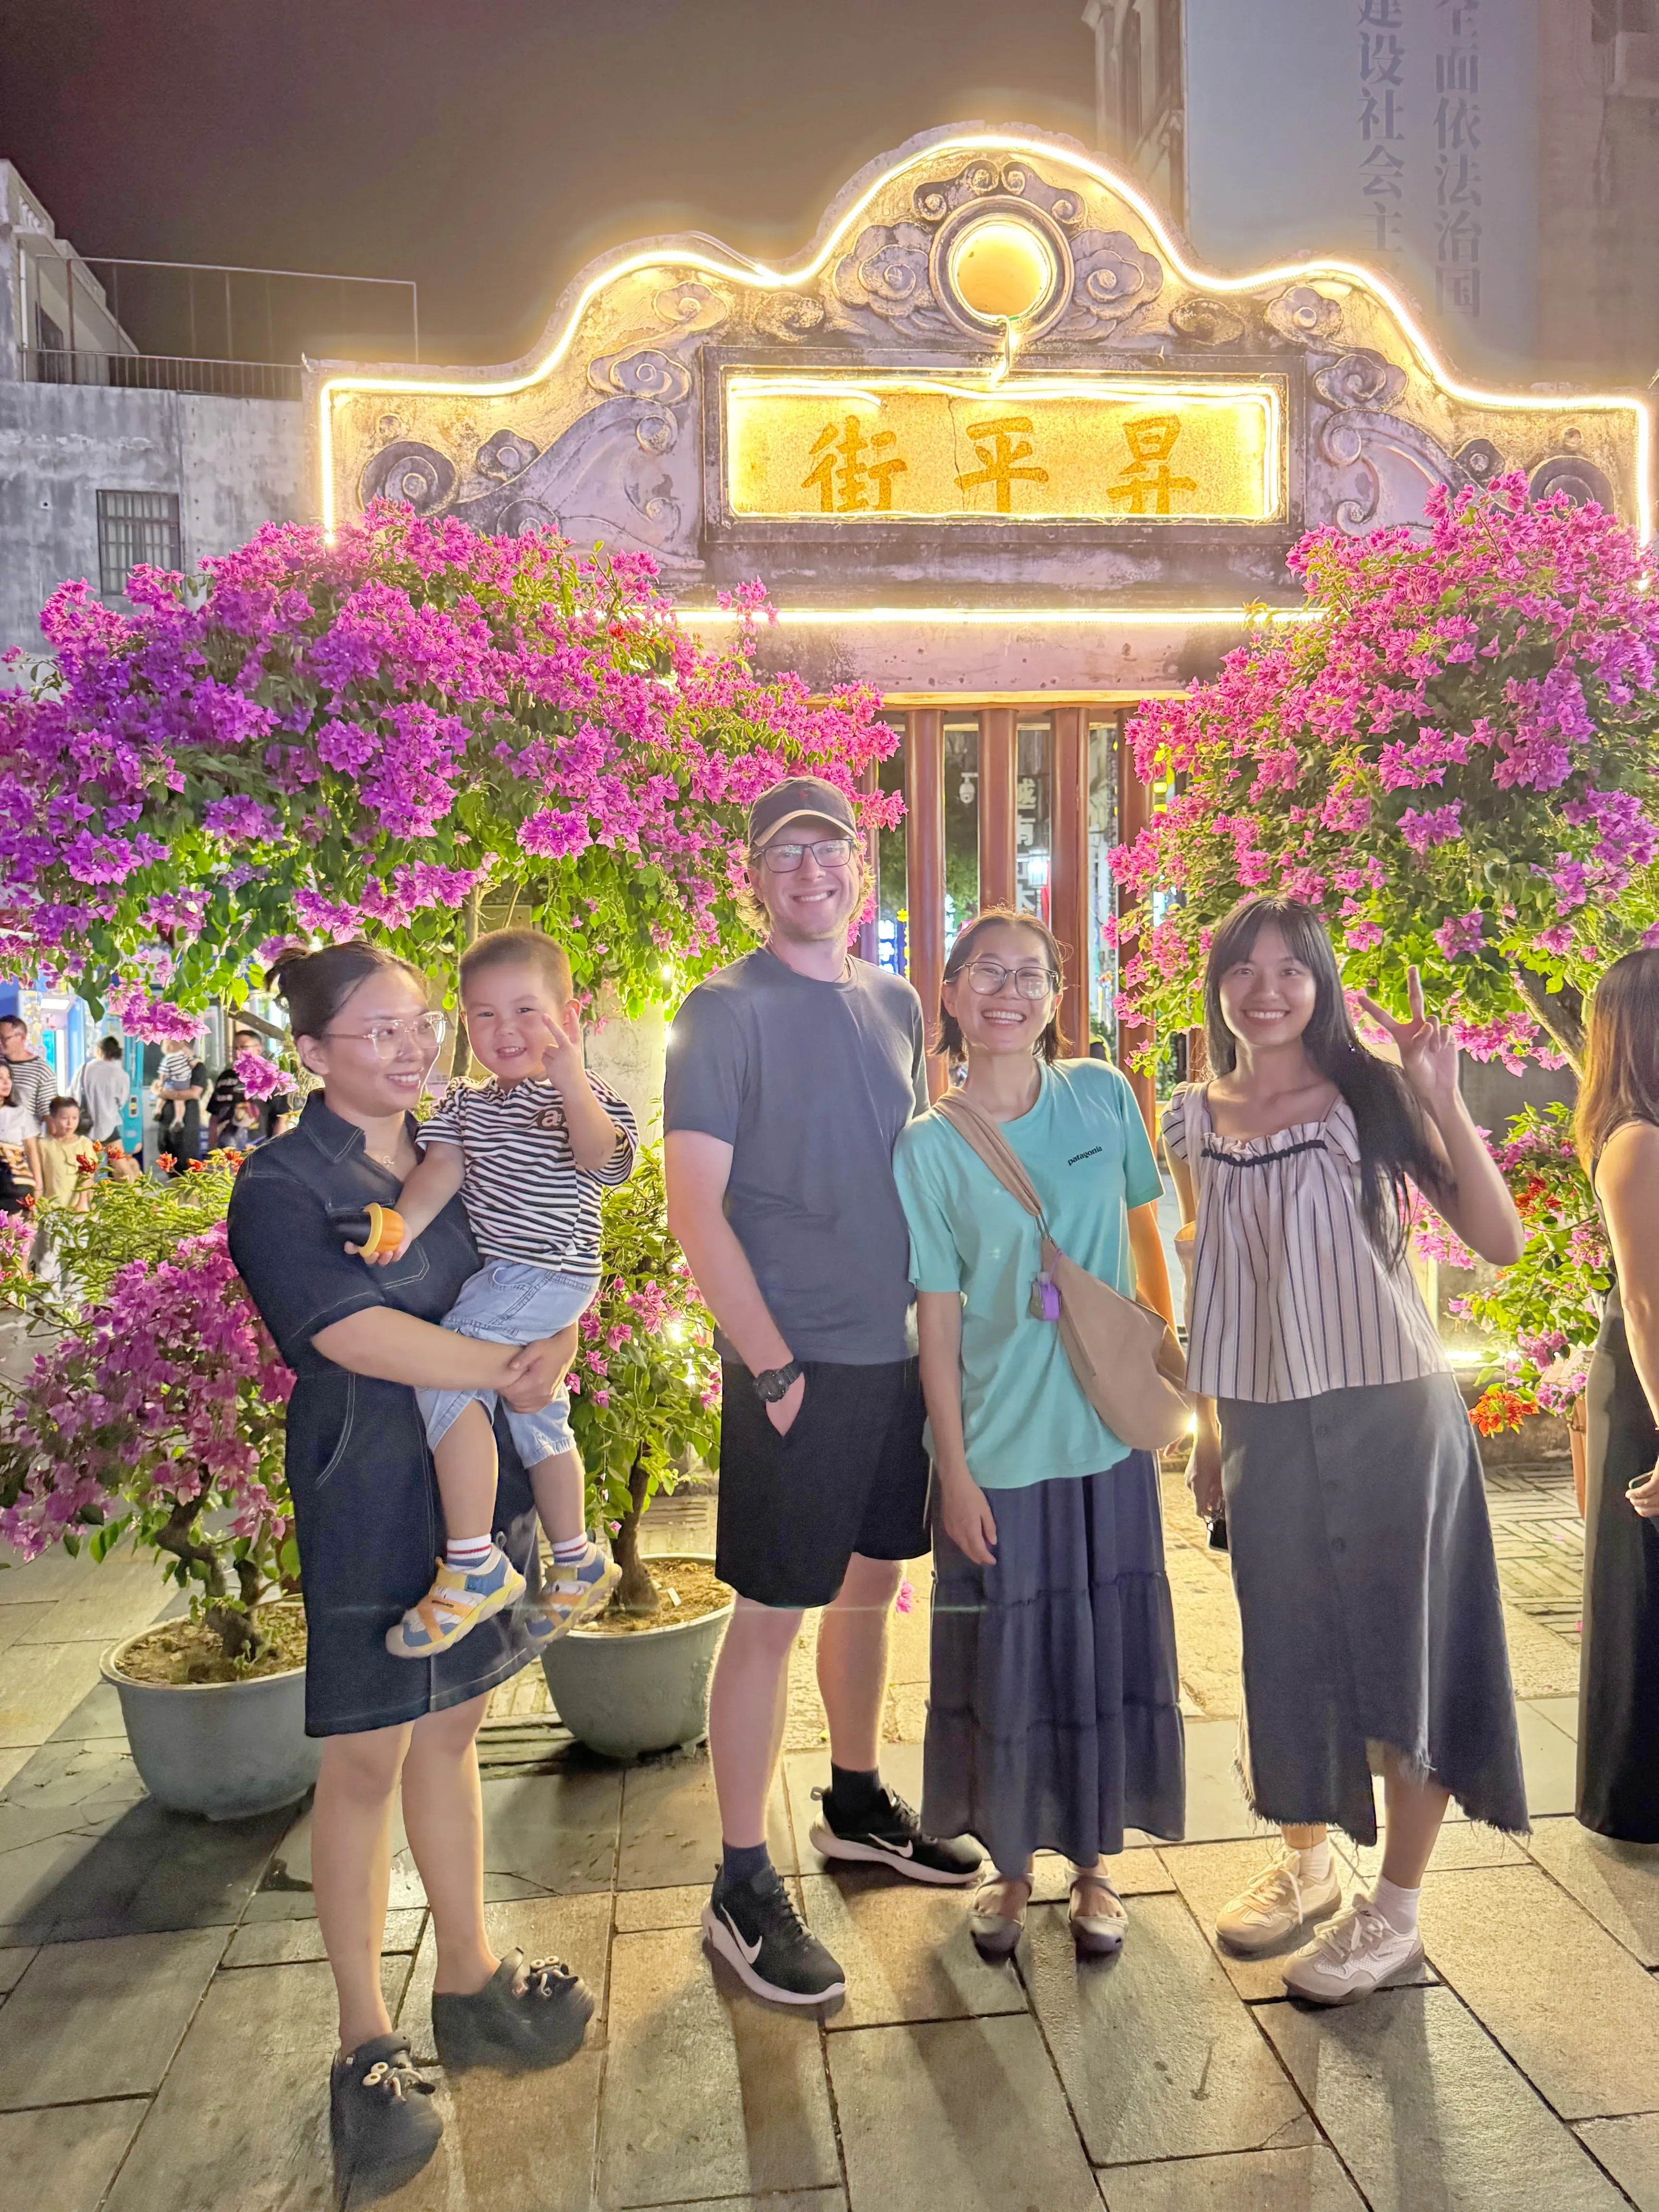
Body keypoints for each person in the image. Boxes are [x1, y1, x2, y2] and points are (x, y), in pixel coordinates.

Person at [226, 941, 595, 2192]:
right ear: (316, 1054)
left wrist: (559, 1328)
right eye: (375, 1032)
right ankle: (361, 2040)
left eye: (415, 1023)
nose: (408, 1046)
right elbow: (348, 1331)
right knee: (365, 1761)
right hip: (367, 1487)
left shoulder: (463, 1136)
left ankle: (471, 1976)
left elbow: (553, 1236)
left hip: (472, 1488)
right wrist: (506, 1368)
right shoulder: (281, 1182)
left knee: (456, 1733)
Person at [1164, 896, 1527, 2005]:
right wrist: (1214, 1431)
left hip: (1390, 1408)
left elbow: (1496, 1241)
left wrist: (1440, 1098)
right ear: (1218, 982)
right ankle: (1308, 1867)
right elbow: (1215, 1286)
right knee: (1287, 1645)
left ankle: (1396, 1911)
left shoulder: (1366, 1091)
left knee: (1405, 1648)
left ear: (1317, 984)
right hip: (1267, 1418)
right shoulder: (1185, 1118)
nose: (1265, 988)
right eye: (1244, 967)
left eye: (1290, 969)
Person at [664, 774, 981, 2009]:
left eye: (831, 850)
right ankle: (741, 1881)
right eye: (784, 853)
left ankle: (853, 1802)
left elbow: (905, 1168)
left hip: (893, 1354)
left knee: (870, 1585)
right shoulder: (721, 1010)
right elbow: (696, 1210)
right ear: (752, 875)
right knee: (769, 1615)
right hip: (795, 1367)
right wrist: (771, 1364)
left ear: (861, 866)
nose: (812, 871)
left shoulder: (895, 1000)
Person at [893, 908, 1185, 1960]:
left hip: (1107, 1437)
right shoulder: (928, 1147)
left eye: (1032, 975)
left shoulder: (1105, 1095)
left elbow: (1149, 1244)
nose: (1008, 991)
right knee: (1007, 1661)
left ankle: (1097, 1869)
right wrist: (953, 1472)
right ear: (954, 995)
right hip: (1000, 1448)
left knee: (1103, 1651)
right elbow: (937, 1321)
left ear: (1060, 998)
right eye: (986, 974)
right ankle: (1013, 1871)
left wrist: (1169, 1378)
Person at [360, 928, 637, 1659]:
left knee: (445, 1379)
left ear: (567, 1016)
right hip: (514, 1279)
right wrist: (402, 1225)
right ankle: (576, 1557)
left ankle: (474, 1562)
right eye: (484, 1015)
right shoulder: (466, 1108)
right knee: (537, 1413)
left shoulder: (585, 1095)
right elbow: (439, 1173)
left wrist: (572, 1077)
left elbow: (601, 1161)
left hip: (545, 1272)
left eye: (525, 1011)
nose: (505, 1030)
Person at [1573, 949, 1659, 1842]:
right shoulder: (1636, 1139)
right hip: (1647, 1387)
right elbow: (1643, 1300)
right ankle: (1633, 1798)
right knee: (1642, 1592)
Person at [74, 1035, 139, 1181]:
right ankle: (132, 1197)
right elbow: (121, 1102)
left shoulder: (85, 1069)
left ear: (99, 1051)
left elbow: (73, 1095)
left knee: (87, 1169)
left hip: (85, 1127)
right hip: (109, 1125)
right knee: (121, 1167)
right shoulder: (121, 1074)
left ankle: (88, 1201)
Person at [155, 1039, 208, 1173]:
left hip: (186, 1127)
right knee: (170, 1166)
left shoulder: (197, 1066)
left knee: (186, 1167)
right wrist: (159, 1091)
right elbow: (157, 1086)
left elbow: (194, 1093)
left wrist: (165, 1093)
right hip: (165, 1124)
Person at [0, 1014, 54, 1135]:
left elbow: (48, 1115)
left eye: (4, 1038)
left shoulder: (42, 1071)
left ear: (22, 1038)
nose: (0, 1042)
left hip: (24, 1142)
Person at [0, 1060, 39, 1214]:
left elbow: (32, 1153)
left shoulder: (21, 1114)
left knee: (16, 1236)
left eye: (9, 1077)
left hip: (16, 1185)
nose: (6, 1082)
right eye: (1, 1078)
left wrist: (39, 1187)